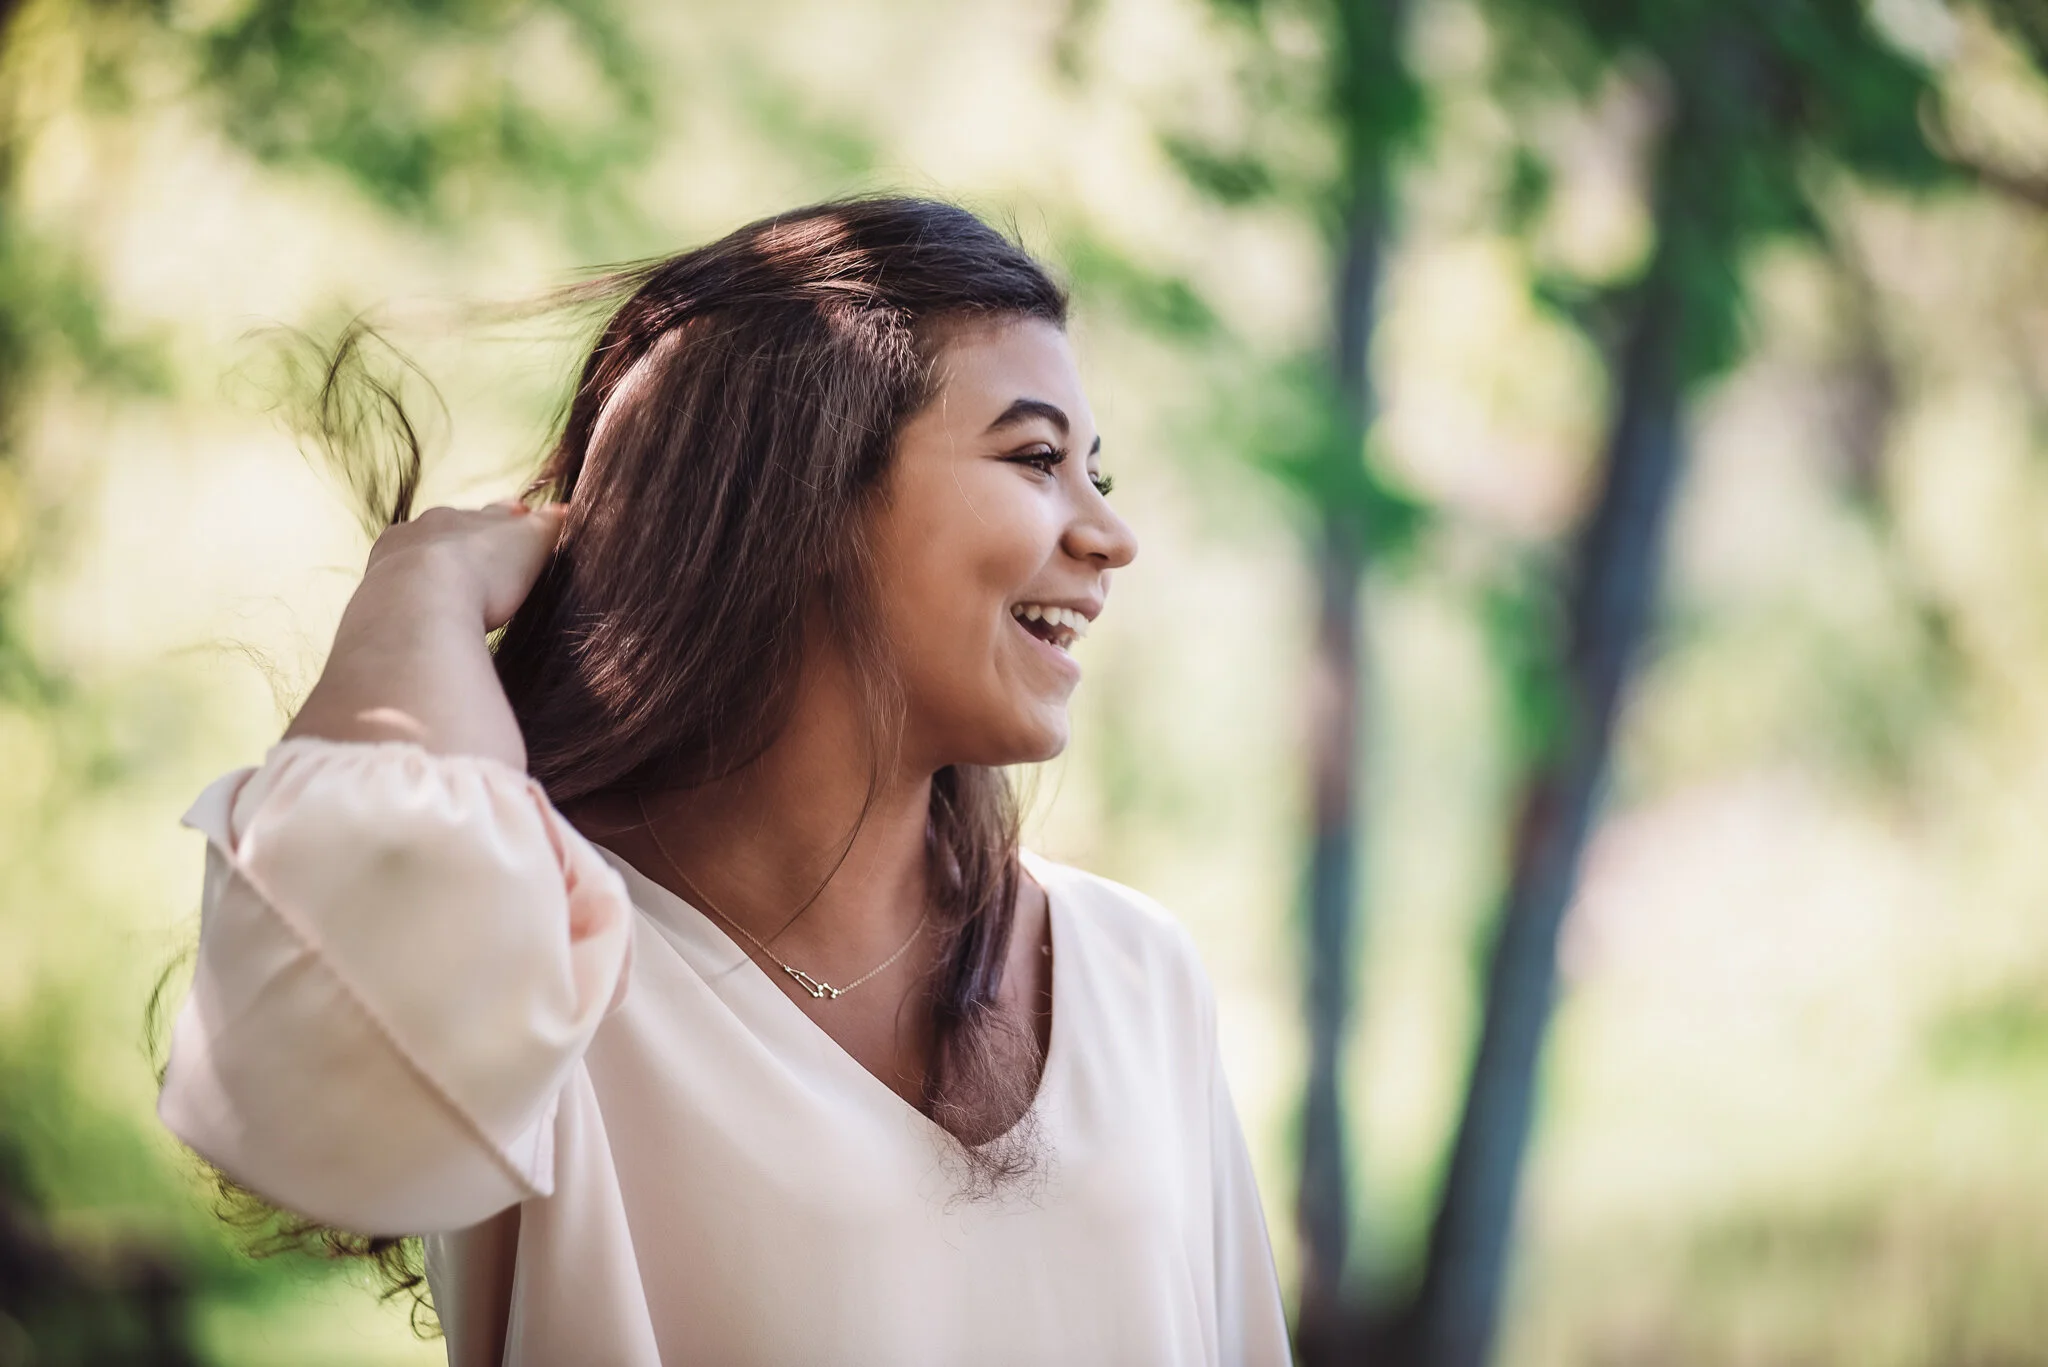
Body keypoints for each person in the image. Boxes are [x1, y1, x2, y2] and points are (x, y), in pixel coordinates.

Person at [156, 197, 1291, 1366]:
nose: (1110, 533)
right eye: (1037, 458)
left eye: (1092, 471)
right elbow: (295, 1110)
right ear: (801, 497)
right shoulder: (546, 960)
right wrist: (420, 591)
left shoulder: (1135, 973)